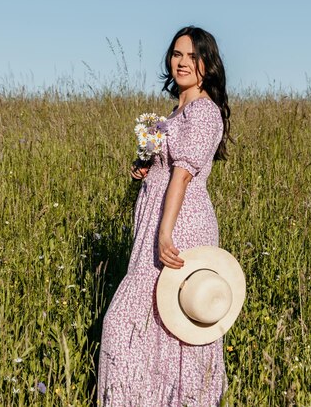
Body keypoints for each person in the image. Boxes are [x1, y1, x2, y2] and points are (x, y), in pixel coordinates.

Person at [97, 25, 231, 406]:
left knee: (159, 321)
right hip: (155, 220)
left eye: (192, 56)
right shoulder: (175, 113)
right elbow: (166, 166)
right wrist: (145, 166)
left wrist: (164, 231)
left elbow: (184, 174)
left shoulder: (204, 113)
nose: (182, 62)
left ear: (208, 64)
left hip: (180, 222)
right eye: (177, 54)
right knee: (145, 322)